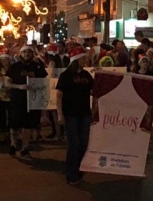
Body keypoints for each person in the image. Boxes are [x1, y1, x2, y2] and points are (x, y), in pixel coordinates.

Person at [56, 47, 95, 185]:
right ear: (76, 60)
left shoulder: (86, 75)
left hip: (84, 113)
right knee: (74, 143)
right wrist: (60, 114)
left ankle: (78, 168)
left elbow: (93, 91)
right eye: (84, 58)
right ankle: (71, 172)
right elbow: (59, 96)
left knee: (83, 143)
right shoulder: (65, 75)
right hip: (70, 114)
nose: (86, 60)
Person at [6, 46, 48, 157]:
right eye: (24, 52)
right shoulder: (14, 67)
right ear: (20, 54)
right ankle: (13, 144)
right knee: (15, 125)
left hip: (33, 100)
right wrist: (19, 87)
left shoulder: (38, 67)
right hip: (17, 100)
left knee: (28, 125)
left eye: (29, 52)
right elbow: (7, 83)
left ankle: (25, 147)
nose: (27, 54)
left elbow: (45, 82)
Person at [0, 50, 12, 147]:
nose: (4, 60)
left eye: (6, 58)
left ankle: (12, 136)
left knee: (12, 117)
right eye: (2, 59)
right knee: (2, 117)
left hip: (12, 97)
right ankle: (3, 136)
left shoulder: (13, 70)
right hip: (1, 97)